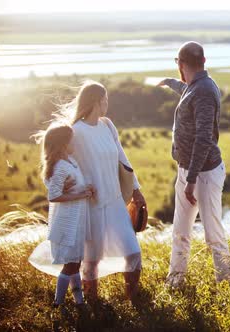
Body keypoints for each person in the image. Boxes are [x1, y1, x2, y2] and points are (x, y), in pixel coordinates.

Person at [56, 80, 146, 303]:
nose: (107, 103)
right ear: (97, 101)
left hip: (115, 201)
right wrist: (67, 185)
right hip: (91, 205)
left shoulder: (107, 125)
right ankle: (92, 304)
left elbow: (122, 159)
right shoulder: (76, 132)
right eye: (105, 99)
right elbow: (60, 161)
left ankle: (133, 300)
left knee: (133, 252)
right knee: (92, 259)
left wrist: (136, 190)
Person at [157, 41, 230, 287]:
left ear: (181, 63)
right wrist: (171, 83)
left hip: (204, 174)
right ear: (203, 61)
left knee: (213, 233)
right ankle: (175, 282)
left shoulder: (203, 91)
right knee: (180, 231)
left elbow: (204, 139)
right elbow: (188, 92)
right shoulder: (197, 86)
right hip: (187, 170)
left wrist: (191, 180)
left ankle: (226, 283)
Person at [28, 124, 95, 307]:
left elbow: (72, 186)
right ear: (64, 143)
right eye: (72, 140)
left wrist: (84, 189)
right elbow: (54, 195)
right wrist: (82, 195)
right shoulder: (60, 167)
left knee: (76, 263)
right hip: (67, 223)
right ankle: (58, 303)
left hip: (77, 220)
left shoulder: (70, 162)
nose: (75, 143)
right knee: (70, 265)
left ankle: (79, 302)